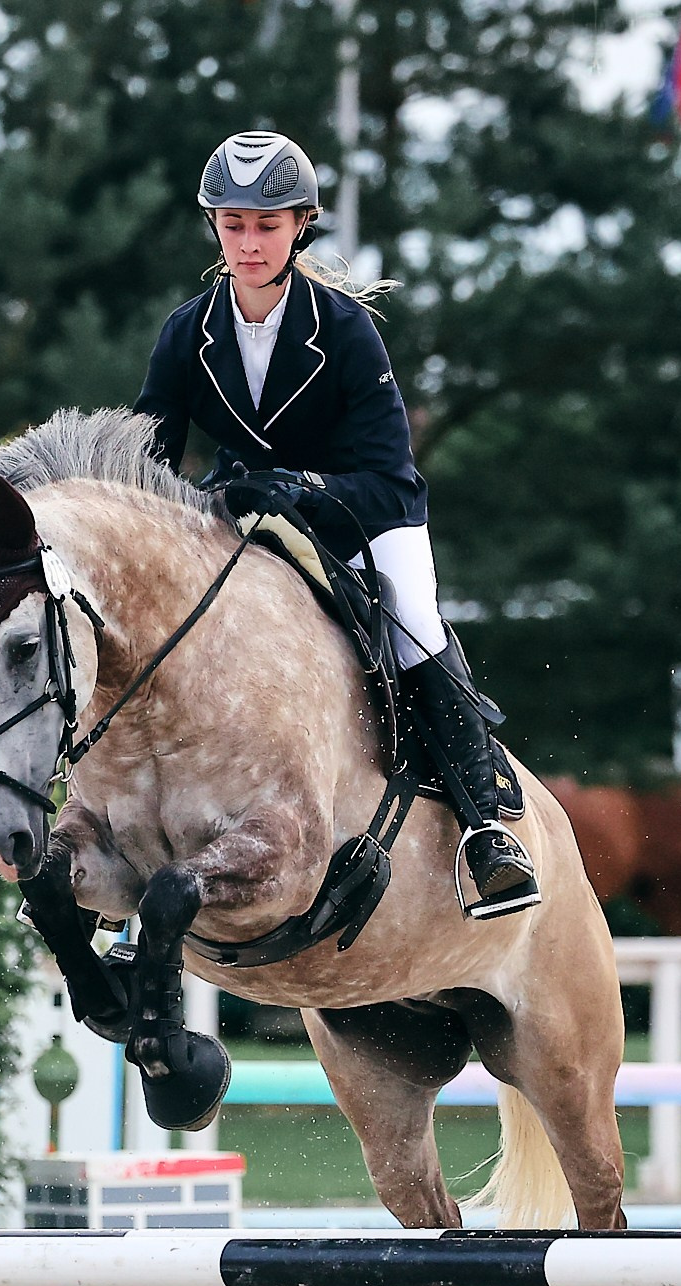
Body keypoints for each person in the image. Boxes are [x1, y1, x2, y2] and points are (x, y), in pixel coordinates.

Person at [131, 130, 538, 920]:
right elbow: (150, 464)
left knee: (415, 622)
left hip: (361, 518)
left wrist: (304, 487)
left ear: (300, 226)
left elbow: (388, 475)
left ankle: (484, 828)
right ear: (213, 224)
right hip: (245, 525)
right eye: (234, 224)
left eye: (267, 225)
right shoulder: (187, 333)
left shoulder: (346, 330)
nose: (248, 243)